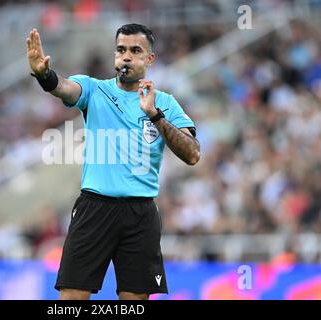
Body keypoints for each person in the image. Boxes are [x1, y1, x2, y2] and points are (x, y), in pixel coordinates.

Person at [26, 23, 200, 300]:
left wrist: (154, 114)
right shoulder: (94, 90)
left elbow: (192, 154)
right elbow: (63, 88)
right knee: (71, 298)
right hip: (94, 208)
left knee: (134, 301)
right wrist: (44, 74)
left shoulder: (165, 103)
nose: (126, 56)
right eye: (121, 50)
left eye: (135, 50)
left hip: (140, 212)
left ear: (149, 59)